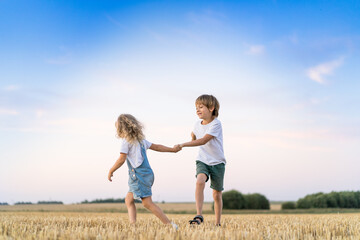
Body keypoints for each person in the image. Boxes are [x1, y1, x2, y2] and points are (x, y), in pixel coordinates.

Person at [108, 114, 180, 229]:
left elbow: (121, 159)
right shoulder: (141, 141)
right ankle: (133, 225)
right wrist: (172, 150)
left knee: (147, 203)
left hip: (138, 176)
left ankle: (170, 225)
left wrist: (111, 170)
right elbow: (157, 147)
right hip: (147, 174)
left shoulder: (126, 142)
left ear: (121, 129)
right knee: (129, 199)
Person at [178, 94, 226, 226]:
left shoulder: (216, 124)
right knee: (200, 181)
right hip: (202, 160)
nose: (197, 110)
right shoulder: (196, 124)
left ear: (211, 108)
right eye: (196, 108)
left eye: (201, 107)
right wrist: (192, 137)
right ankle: (199, 215)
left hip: (217, 162)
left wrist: (183, 144)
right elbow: (195, 137)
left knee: (216, 194)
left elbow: (204, 140)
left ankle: (217, 223)